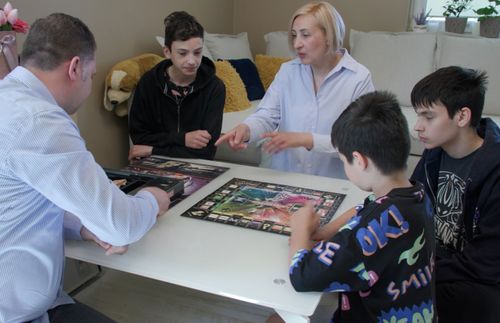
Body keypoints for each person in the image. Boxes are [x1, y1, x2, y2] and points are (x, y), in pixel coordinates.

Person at [0, 13, 171, 323]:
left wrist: (82, 226)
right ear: (75, 68)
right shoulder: (39, 122)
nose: (90, 85)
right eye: (92, 75)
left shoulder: (8, 101)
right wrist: (152, 200)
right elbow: (121, 226)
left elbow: (20, 204)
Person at [287, 91, 436, 322]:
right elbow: (366, 207)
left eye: (344, 160)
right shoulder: (415, 193)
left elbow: (302, 277)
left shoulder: (371, 230)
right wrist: (327, 231)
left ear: (359, 160)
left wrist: (299, 230)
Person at [215, 1, 374, 178]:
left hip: (333, 183)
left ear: (329, 35)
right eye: (294, 35)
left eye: (305, 35)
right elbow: (266, 115)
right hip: (286, 180)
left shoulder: (358, 78)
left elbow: (360, 143)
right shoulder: (288, 71)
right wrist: (246, 129)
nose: (297, 44)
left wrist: (307, 139)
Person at [410, 66, 500, 323]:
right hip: (437, 260)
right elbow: (409, 200)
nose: (418, 127)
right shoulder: (434, 154)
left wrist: (422, 272)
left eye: (428, 117)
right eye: (418, 116)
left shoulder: (495, 171)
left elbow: (487, 263)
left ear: (462, 116)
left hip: (477, 280)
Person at [128, 11, 225, 161]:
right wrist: (183, 139)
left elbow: (207, 152)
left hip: (196, 166)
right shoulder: (148, 83)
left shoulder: (215, 88)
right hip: (153, 164)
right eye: (183, 53)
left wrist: (152, 149)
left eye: (197, 52)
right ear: (167, 52)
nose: (192, 61)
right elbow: (140, 138)